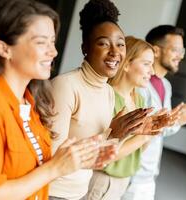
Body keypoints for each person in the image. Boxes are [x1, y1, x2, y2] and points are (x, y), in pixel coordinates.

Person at [0, 0, 110, 199]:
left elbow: (30, 172)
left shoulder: (29, 103)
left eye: (52, 41)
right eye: (41, 42)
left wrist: (73, 158)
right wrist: (55, 168)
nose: (53, 52)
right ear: (4, 49)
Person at [49, 1, 148, 200]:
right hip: (54, 192)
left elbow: (102, 159)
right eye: (103, 43)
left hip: (80, 191)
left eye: (120, 44)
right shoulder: (66, 86)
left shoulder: (108, 92)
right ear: (85, 47)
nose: (115, 52)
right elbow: (53, 156)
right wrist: (113, 135)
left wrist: (121, 135)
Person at [87, 36, 179, 200]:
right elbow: (107, 154)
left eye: (152, 65)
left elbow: (138, 152)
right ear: (127, 64)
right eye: (146, 64)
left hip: (123, 181)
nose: (151, 71)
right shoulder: (108, 97)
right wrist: (144, 136)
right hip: (101, 180)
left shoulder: (139, 100)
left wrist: (153, 130)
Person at [123, 25, 186, 200]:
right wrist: (172, 120)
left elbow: (161, 129)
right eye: (176, 50)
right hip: (130, 177)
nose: (181, 56)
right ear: (156, 50)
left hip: (149, 177)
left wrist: (181, 118)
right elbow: (135, 130)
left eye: (182, 51)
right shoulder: (140, 85)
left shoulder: (165, 86)